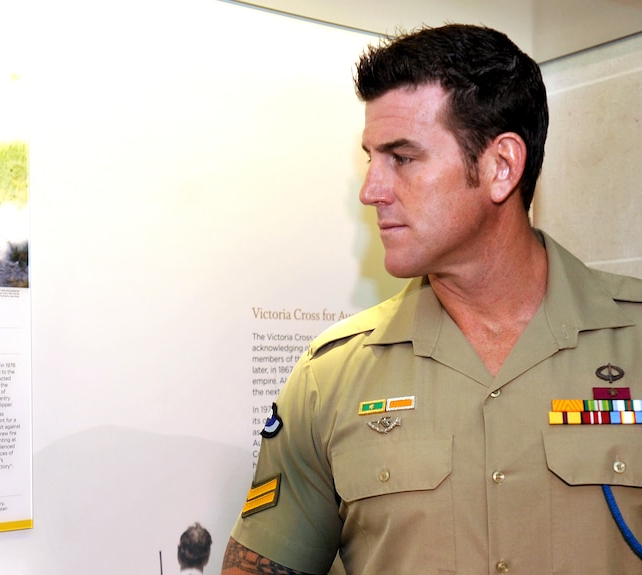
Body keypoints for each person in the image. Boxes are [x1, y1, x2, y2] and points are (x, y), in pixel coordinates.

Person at [223, 23, 642, 575]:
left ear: (500, 167)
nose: (371, 189)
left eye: (402, 157)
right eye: (371, 156)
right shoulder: (331, 377)